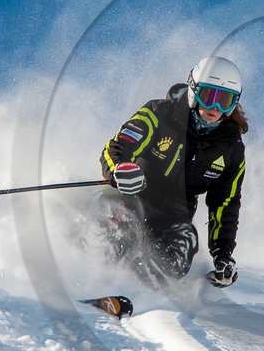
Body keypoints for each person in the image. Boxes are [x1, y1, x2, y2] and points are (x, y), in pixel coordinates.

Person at [99, 56, 247, 290]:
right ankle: (97, 268)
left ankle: (137, 290)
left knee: (178, 258)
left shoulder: (230, 148)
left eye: (224, 100)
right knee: (118, 230)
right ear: (194, 90)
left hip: (173, 217)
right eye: (208, 96)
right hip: (132, 195)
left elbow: (226, 203)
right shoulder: (158, 114)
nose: (215, 107)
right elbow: (117, 146)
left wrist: (223, 254)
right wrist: (119, 169)